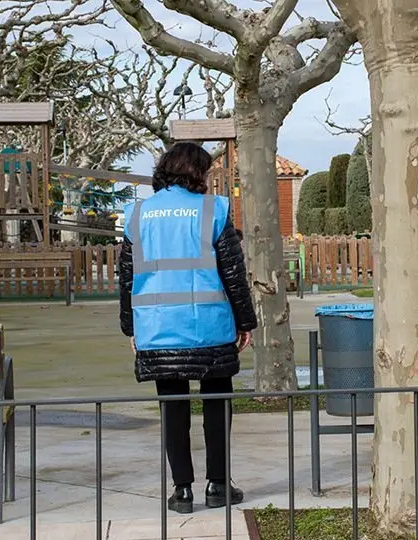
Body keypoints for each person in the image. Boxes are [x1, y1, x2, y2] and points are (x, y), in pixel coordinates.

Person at [118, 142, 257, 515]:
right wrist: (246, 321)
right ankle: (218, 484)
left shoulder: (137, 214)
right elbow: (233, 274)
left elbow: (127, 278)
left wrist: (131, 328)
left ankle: (182, 491)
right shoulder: (214, 210)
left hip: (158, 328)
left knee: (172, 408)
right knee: (216, 402)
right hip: (209, 327)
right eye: (208, 172)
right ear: (197, 172)